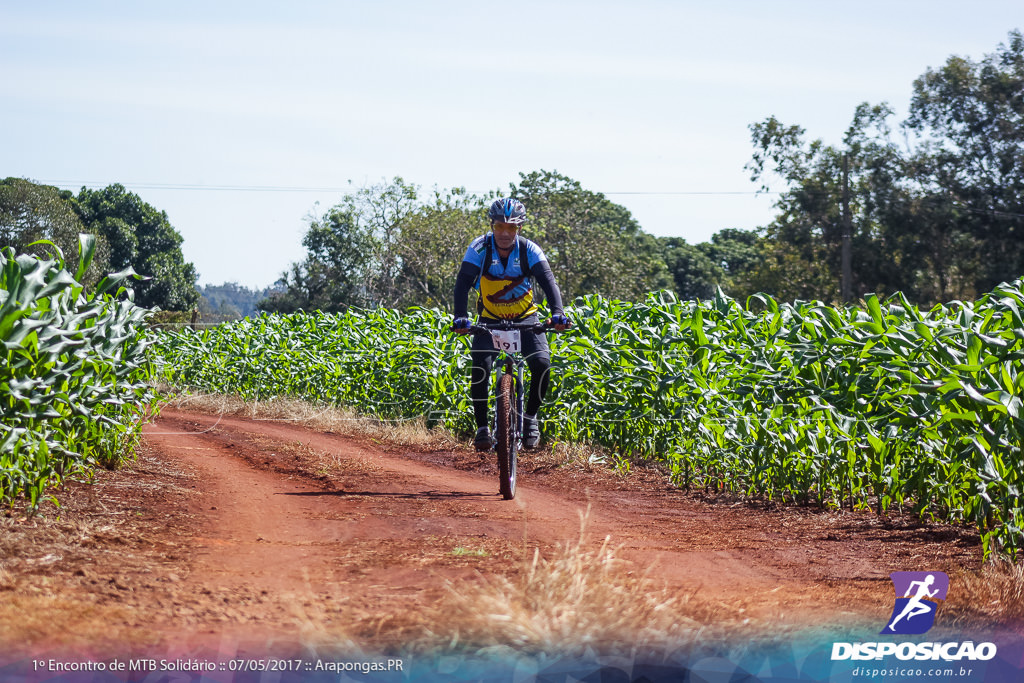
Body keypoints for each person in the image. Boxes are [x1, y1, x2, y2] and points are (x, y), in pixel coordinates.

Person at [452, 197, 570, 451]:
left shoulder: (530, 250)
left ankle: (530, 418)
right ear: (492, 225)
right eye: (499, 227)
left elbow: (549, 283)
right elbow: (462, 283)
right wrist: (460, 316)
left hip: (526, 318)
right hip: (490, 319)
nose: (505, 233)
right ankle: (482, 427)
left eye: (511, 228)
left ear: (520, 229)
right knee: (480, 366)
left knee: (541, 364)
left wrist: (558, 313)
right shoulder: (479, 248)